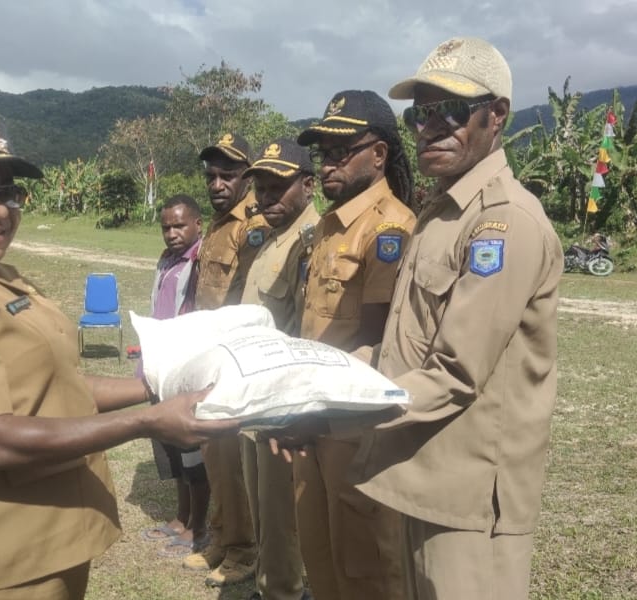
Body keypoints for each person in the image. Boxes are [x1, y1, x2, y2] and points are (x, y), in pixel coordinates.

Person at [0, 109, 239, 599]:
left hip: (37, 544)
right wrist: (149, 420)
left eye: (9, 192)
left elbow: (54, 385)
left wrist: (158, 384)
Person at [275, 37, 564, 600]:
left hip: (466, 496)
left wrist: (326, 417)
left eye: (449, 110)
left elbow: (453, 373)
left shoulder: (503, 223)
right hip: (414, 474)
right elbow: (396, 350)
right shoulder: (440, 216)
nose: (432, 127)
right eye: (420, 113)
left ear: (496, 116)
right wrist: (304, 386)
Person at [289, 90, 417, 600]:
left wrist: (314, 411)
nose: (328, 164)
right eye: (323, 153)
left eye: (342, 151)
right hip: (312, 418)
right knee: (318, 553)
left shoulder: (390, 228)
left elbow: (376, 336)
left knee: (363, 563)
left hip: (351, 425)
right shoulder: (328, 225)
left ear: (379, 154)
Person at [183, 132, 267, 588]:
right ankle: (221, 536)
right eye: (211, 175)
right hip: (208, 352)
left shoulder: (249, 226)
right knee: (213, 452)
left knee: (232, 454)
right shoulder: (216, 223)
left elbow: (244, 299)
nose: (216, 183)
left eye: (227, 175)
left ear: (246, 178)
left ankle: (244, 548)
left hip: (233, 354)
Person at [238, 138, 318, 600]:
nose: (265, 197)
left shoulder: (310, 243)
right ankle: (270, 585)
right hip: (254, 399)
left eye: (277, 187)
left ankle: (284, 591)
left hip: (281, 402)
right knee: (262, 508)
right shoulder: (273, 238)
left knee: (281, 514)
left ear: (307, 186)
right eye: (261, 188)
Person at [140, 194, 212, 558]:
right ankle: (181, 516)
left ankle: (200, 525)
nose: (171, 233)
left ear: (198, 224)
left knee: (191, 453)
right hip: (161, 367)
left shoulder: (201, 262)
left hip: (185, 370)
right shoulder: (167, 260)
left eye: (179, 225)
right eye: (166, 226)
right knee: (171, 449)